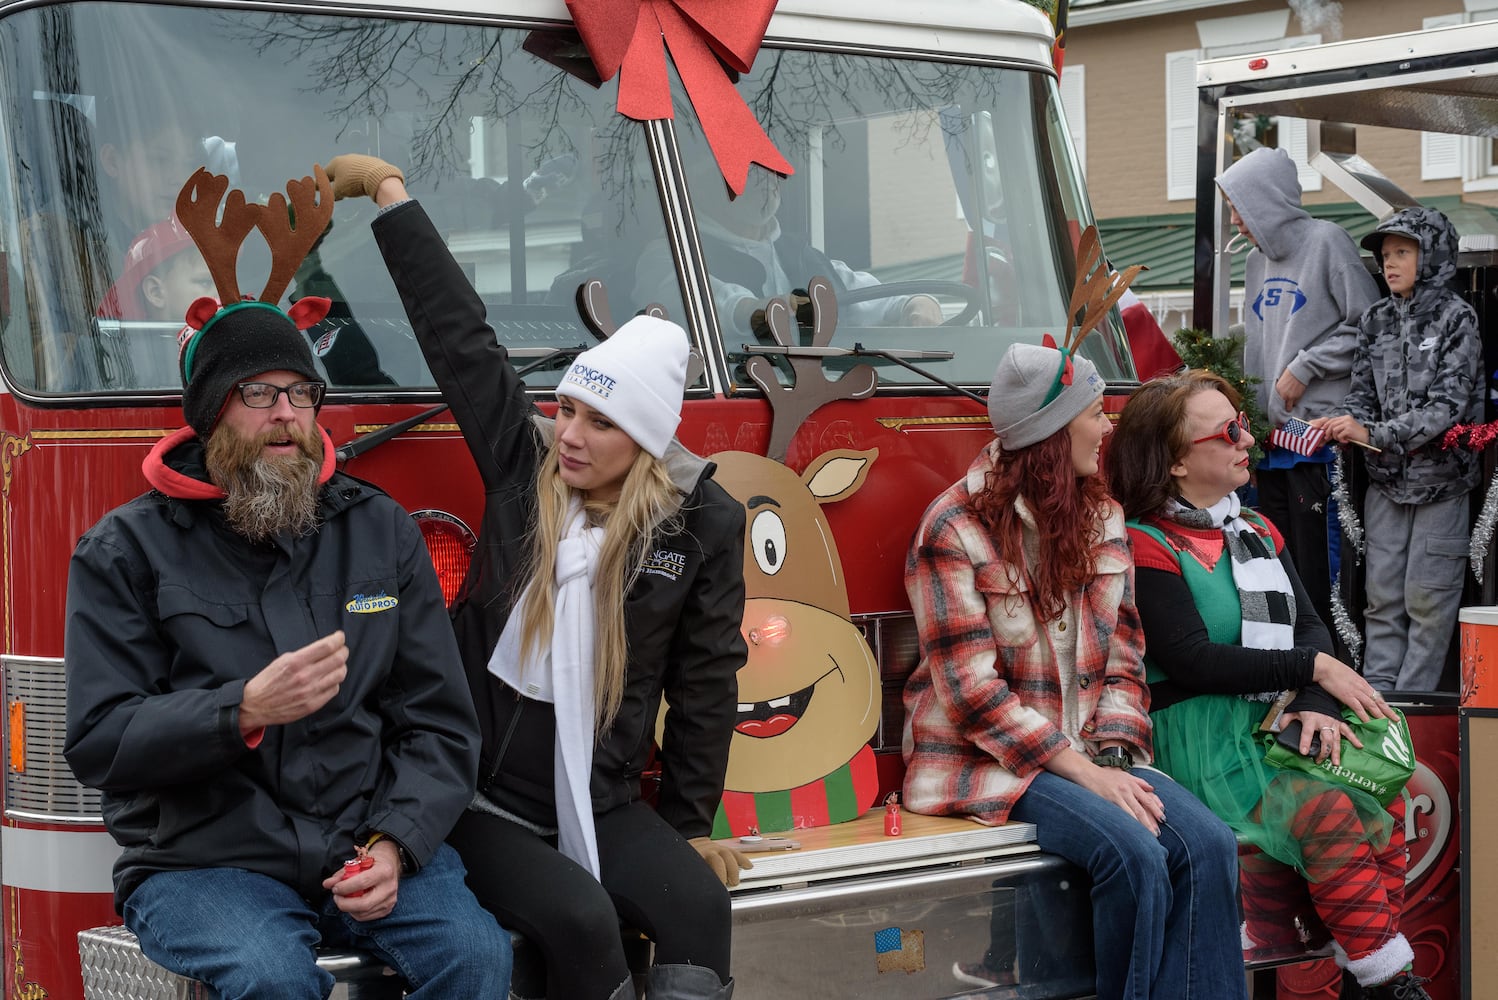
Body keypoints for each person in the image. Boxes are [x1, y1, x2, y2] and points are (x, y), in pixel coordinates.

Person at [325, 153, 748, 1000]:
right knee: (584, 921)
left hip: (600, 795)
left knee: (700, 907)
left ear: (649, 441)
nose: (573, 436)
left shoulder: (702, 521)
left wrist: (690, 825)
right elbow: (462, 339)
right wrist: (393, 198)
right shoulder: (526, 473)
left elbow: (706, 684)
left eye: (602, 422)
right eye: (567, 410)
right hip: (479, 797)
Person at [62, 293, 511, 999]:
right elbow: (98, 739)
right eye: (259, 392)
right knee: (270, 977)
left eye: (303, 394)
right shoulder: (124, 550)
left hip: (362, 845)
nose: (286, 414)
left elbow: (440, 722)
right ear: (212, 413)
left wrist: (395, 842)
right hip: (203, 863)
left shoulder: (379, 529)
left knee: (477, 958)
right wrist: (238, 711)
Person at [901, 341, 1248, 1000]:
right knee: (1136, 855)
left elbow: (1123, 656)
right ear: (1051, 434)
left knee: (1207, 846)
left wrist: (1114, 757)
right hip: (987, 761)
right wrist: (1086, 772)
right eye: (1094, 412)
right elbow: (972, 694)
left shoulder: (1102, 513)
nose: (1107, 427)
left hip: (1091, 756)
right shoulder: (952, 527)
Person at [1109, 370, 1428, 1000]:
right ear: (1175, 462)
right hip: (1203, 739)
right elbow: (1194, 659)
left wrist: (1314, 703)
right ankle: (1389, 982)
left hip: (1269, 724)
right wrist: (1312, 674)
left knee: (1387, 794)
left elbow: (1310, 628)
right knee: (1331, 809)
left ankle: (1368, 975)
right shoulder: (1144, 543)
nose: (1247, 440)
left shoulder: (1253, 527)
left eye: (1244, 425)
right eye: (1228, 431)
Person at [1311, 207, 1484, 693]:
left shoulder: (1457, 318)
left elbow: (1448, 407)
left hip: (1442, 488)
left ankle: (1413, 712)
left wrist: (1377, 433)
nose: (1390, 263)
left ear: (1431, 256)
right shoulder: (1374, 319)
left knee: (1428, 604)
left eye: (1402, 252)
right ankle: (1379, 704)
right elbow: (1361, 392)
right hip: (1384, 487)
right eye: (1386, 255)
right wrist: (1349, 422)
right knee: (1381, 601)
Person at [1215, 146, 1379, 634]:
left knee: (1322, 573)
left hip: (1319, 444)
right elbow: (1256, 351)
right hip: (1271, 446)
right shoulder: (1253, 265)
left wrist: (1306, 366)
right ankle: (1294, 673)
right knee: (1280, 573)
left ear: (1265, 201)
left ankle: (1332, 673)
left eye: (1238, 207)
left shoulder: (1328, 242)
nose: (1236, 222)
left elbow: (1370, 330)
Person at [634, 162, 944, 334]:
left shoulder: (798, 253)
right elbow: (698, 303)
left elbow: (864, 297)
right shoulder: (670, 254)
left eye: (773, 173)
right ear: (703, 185)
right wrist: (754, 311)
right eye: (752, 173)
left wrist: (913, 304)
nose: (768, 183)